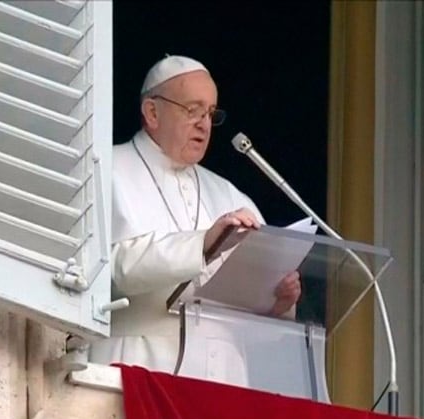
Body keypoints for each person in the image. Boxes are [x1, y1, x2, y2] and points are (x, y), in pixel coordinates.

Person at [88, 55, 301, 387]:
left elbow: (256, 329)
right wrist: (202, 244)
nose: (204, 123)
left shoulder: (229, 194)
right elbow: (107, 268)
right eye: (193, 110)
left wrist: (278, 304)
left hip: (224, 380)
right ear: (152, 112)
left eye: (211, 113)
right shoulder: (105, 169)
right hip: (138, 366)